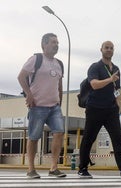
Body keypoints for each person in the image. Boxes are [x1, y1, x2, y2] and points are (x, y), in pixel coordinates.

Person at [78, 41, 121, 178]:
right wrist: (110, 79)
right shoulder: (95, 67)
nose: (109, 50)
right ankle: (82, 169)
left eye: (111, 48)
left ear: (113, 51)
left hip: (111, 109)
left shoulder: (116, 68)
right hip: (95, 108)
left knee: (117, 138)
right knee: (89, 138)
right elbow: (94, 85)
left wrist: (118, 105)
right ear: (101, 49)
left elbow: (116, 89)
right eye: (106, 48)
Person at [17, 33, 66, 179]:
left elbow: (59, 85)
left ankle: (53, 168)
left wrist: (59, 102)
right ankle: (31, 169)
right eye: (53, 42)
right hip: (37, 106)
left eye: (57, 42)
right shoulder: (35, 59)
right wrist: (29, 94)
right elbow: (20, 77)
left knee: (59, 132)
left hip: (54, 107)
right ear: (44, 44)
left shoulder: (59, 64)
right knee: (34, 137)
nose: (56, 45)